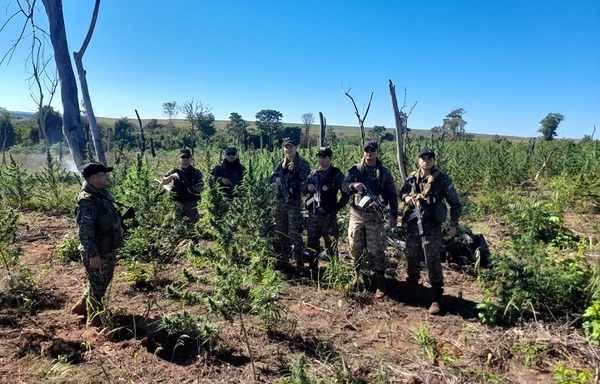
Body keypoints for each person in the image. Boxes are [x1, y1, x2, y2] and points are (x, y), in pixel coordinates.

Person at [399, 148, 462, 315]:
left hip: (432, 227)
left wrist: (453, 224)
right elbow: (402, 192)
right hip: (413, 225)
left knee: (432, 260)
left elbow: (456, 203)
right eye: (423, 158)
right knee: (411, 255)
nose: (426, 161)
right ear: (418, 160)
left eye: (429, 158)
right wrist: (406, 198)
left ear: (434, 160)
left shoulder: (441, 179)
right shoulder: (412, 177)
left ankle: (436, 297)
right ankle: (413, 288)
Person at [342, 141, 399, 298]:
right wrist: (354, 186)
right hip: (357, 214)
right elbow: (343, 185)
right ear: (363, 151)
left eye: (372, 150)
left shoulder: (384, 172)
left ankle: (381, 284)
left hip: (375, 216)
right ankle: (357, 277)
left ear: (377, 152)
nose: (369, 153)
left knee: (377, 249)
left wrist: (394, 214)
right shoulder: (355, 170)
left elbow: (392, 193)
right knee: (355, 247)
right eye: (366, 150)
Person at [71, 162, 124, 326]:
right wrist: (93, 255)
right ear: (93, 178)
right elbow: (85, 232)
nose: (106, 177)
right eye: (103, 175)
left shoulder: (101, 193)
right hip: (96, 252)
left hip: (106, 248)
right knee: (98, 286)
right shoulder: (87, 201)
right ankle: (94, 322)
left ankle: (81, 307)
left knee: (100, 282)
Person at [303, 147, 349, 271]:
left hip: (329, 216)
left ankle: (334, 271)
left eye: (324, 157)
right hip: (313, 215)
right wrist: (308, 187)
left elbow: (346, 193)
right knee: (312, 244)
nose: (321, 159)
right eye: (319, 157)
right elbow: (303, 189)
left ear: (330, 158)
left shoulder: (336, 174)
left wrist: (337, 207)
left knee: (331, 245)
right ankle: (313, 270)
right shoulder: (314, 174)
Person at [269, 138, 310, 273]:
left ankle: (299, 264)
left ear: (296, 147)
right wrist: (276, 180)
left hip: (294, 203)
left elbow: (305, 182)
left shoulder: (302, 163)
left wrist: (292, 184)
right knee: (281, 231)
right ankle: (285, 260)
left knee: (294, 233)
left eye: (291, 146)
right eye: (286, 147)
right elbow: (271, 178)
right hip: (281, 202)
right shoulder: (281, 164)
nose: (288, 149)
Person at [161, 149, 204, 223]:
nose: (185, 159)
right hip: (178, 202)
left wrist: (195, 189)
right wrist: (172, 176)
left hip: (191, 202)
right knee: (177, 224)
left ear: (190, 158)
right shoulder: (174, 170)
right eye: (183, 157)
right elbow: (163, 182)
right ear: (179, 158)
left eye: (187, 157)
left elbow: (201, 187)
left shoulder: (196, 172)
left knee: (193, 225)